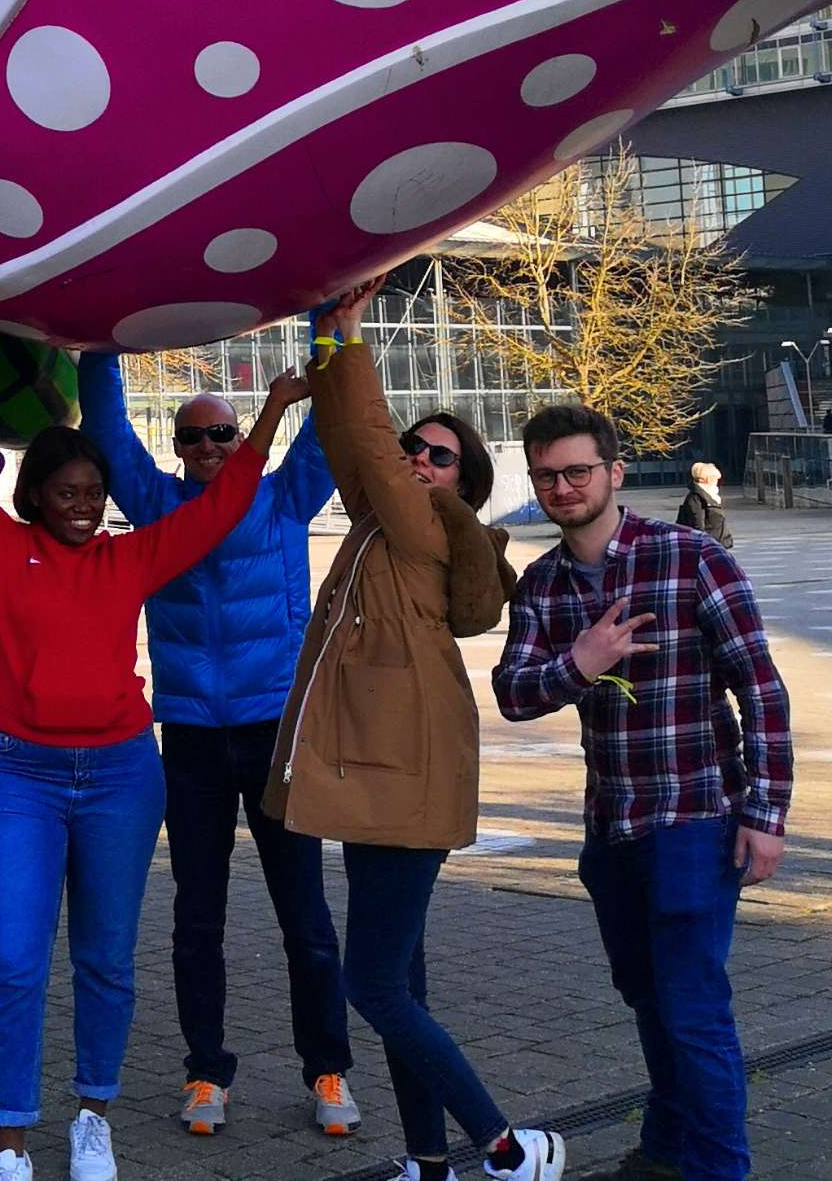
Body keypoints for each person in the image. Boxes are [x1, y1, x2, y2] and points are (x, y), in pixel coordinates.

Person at [0, 288, 308, 1181]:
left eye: (95, 494)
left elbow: (216, 512)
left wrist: (269, 415)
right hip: (19, 776)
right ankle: (12, 1143)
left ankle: (92, 1119)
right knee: (11, 963)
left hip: (119, 776)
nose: (83, 507)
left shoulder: (127, 555)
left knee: (105, 961)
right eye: (67, 493)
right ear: (36, 495)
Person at [262, 279, 565, 1181]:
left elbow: (364, 442)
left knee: (376, 986)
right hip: (378, 774)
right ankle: (430, 1161)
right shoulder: (377, 528)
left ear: (461, 485)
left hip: (408, 777)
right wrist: (322, 347)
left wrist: (349, 339)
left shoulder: (429, 527)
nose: (416, 460)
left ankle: (509, 1149)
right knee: (404, 982)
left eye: (436, 455)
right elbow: (345, 442)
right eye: (413, 450)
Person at [494, 405, 792, 1181]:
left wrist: (765, 814)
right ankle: (666, 1149)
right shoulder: (543, 583)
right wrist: (581, 663)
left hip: (696, 817)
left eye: (577, 472)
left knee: (692, 1010)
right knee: (648, 999)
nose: (563, 488)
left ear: (614, 473)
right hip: (613, 827)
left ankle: (719, 1168)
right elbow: (515, 694)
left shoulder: (689, 557)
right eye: (547, 475)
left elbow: (761, 688)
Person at [76, 352, 357, 1139]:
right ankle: (206, 1074)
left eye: (221, 434)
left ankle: (328, 1067)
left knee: (303, 915)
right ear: (177, 449)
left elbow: (325, 437)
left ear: (241, 440)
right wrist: (101, 340)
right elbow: (105, 428)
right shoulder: (154, 504)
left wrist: (327, 329)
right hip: (192, 738)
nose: (207, 447)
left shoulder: (283, 499)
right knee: (197, 918)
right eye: (192, 437)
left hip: (275, 734)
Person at [675, 463, 733, 550]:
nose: (716, 482)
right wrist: (705, 546)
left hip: (718, 544)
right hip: (708, 546)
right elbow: (697, 526)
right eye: (713, 479)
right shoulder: (696, 498)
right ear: (704, 479)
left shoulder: (711, 495)